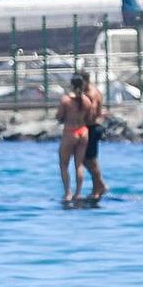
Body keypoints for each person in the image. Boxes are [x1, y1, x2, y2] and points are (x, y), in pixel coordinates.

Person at [55, 74, 90, 205]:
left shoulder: (66, 100)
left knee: (64, 165)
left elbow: (59, 116)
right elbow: (89, 116)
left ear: (71, 85)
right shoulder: (86, 100)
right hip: (83, 131)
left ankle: (68, 193)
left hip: (70, 132)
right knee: (79, 165)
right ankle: (79, 193)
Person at [80, 72, 108, 202]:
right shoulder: (94, 91)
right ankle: (98, 186)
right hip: (92, 127)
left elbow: (93, 112)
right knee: (89, 160)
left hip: (92, 128)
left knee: (89, 160)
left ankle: (99, 187)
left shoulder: (90, 94)